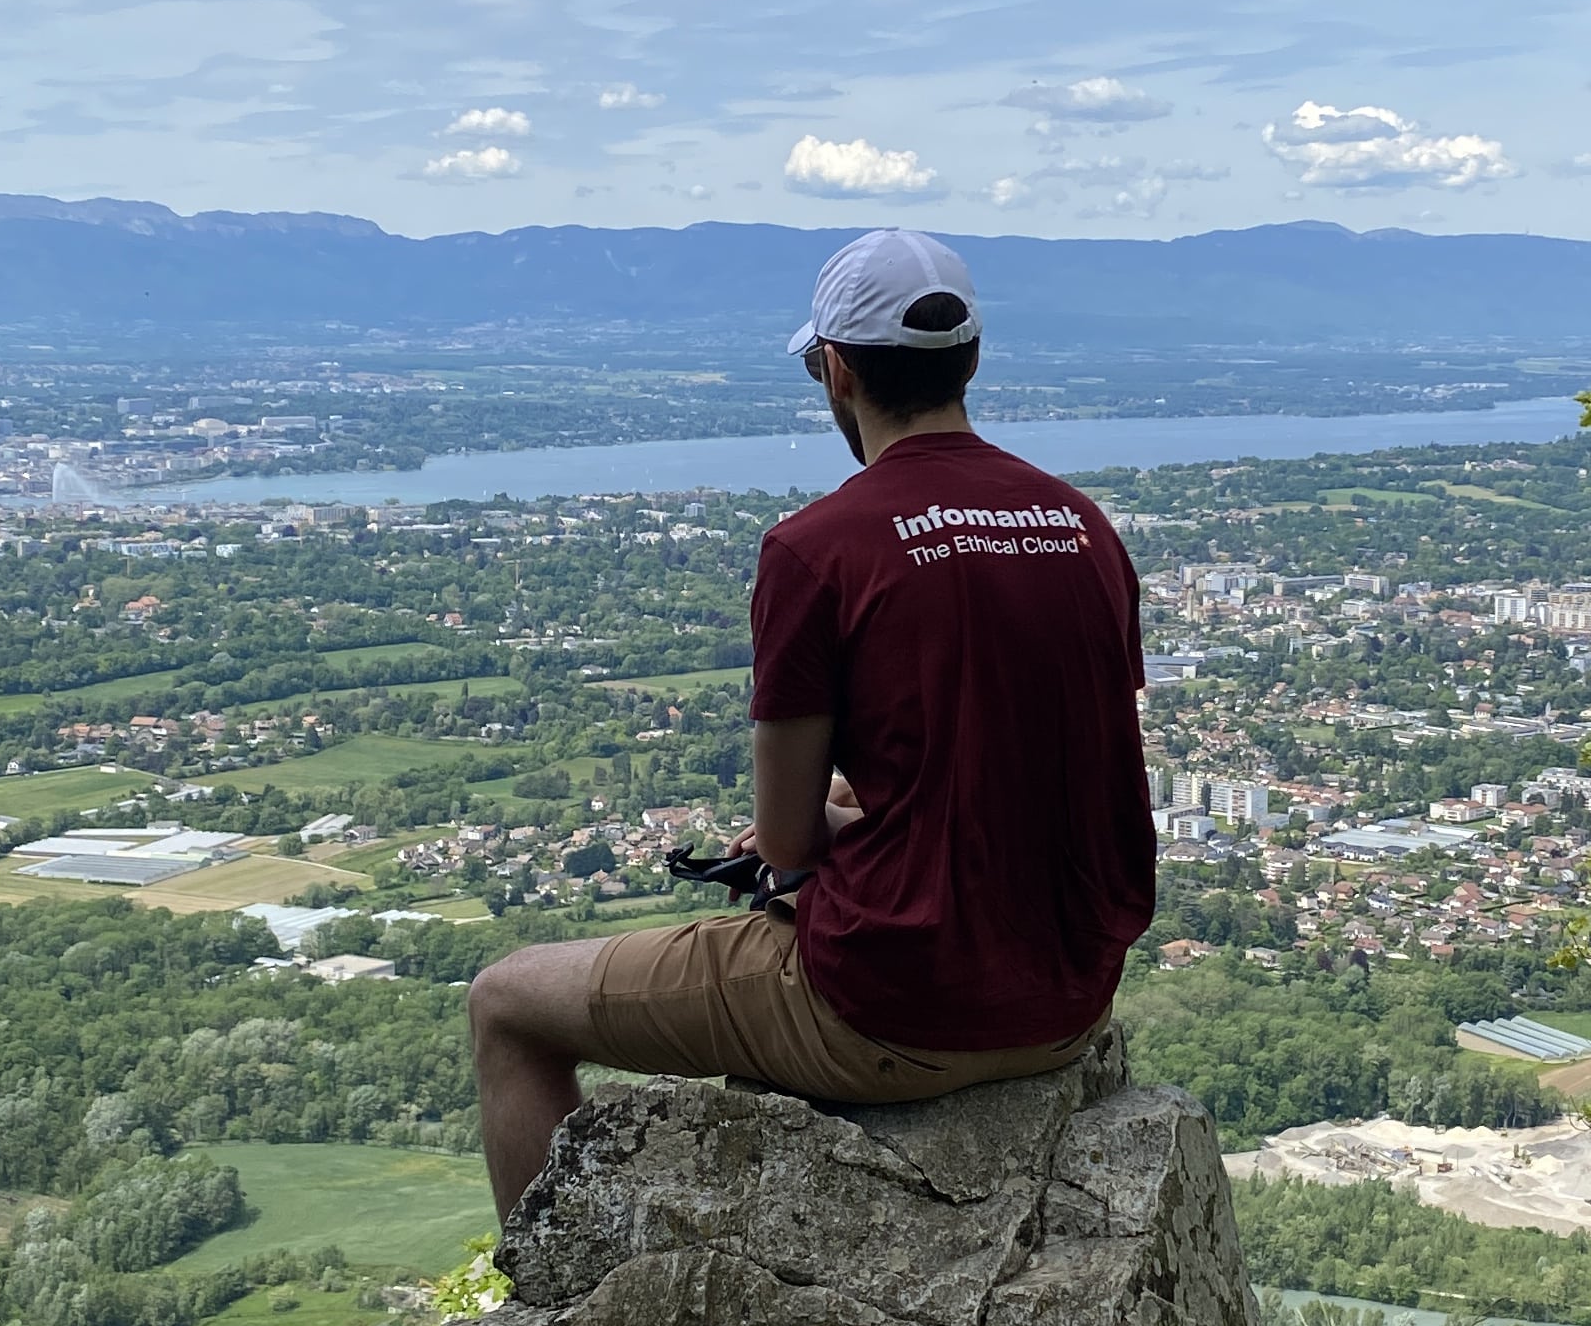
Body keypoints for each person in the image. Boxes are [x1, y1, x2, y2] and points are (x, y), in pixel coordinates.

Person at [465, 228, 1156, 1219]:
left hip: (892, 1008)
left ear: (834, 370)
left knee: (507, 1002)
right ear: (971, 358)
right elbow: (1052, 768)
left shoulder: (818, 547)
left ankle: (539, 1315)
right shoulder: (1080, 527)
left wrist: (826, 828)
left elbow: (786, 842)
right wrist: (870, 810)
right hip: (1069, 1004)